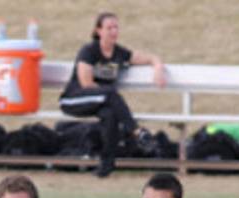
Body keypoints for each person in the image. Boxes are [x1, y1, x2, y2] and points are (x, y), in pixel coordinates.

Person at [58, 12, 166, 178]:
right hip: (74, 100)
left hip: (101, 100)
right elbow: (86, 83)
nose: (114, 31)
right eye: (109, 28)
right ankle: (137, 132)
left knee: (110, 114)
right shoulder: (89, 51)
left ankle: (106, 165)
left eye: (116, 27)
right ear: (98, 31)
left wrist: (157, 67)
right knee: (110, 95)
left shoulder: (119, 53)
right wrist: (107, 95)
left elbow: (148, 58)